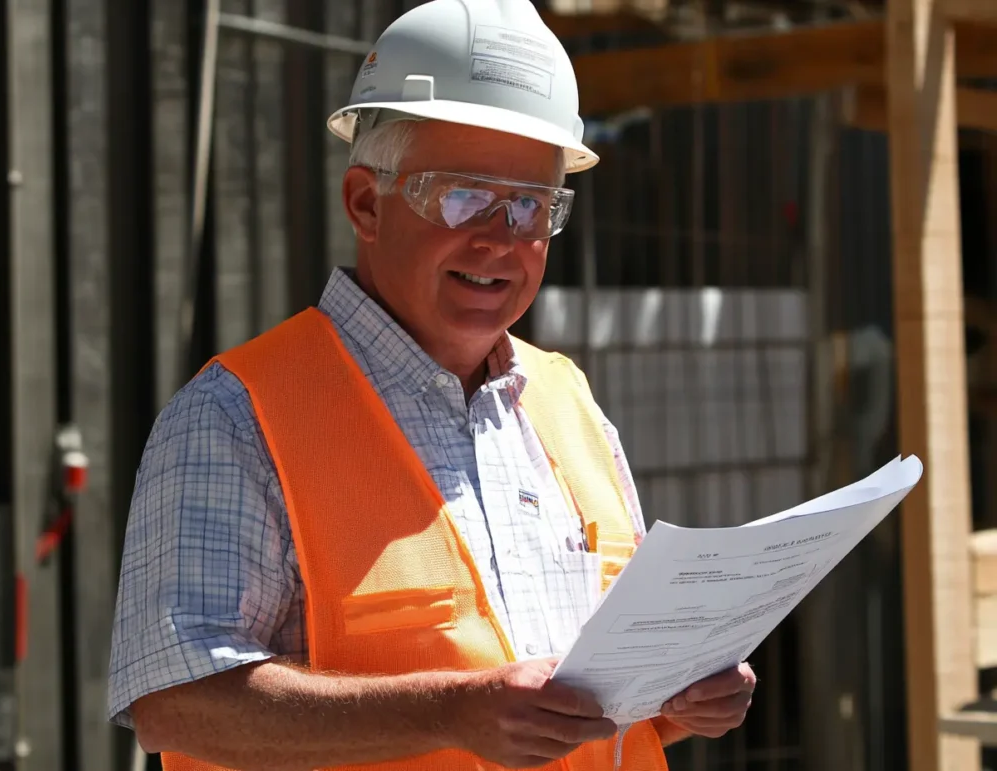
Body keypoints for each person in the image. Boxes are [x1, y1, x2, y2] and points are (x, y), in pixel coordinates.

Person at [107, 1, 756, 769]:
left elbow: (600, 712)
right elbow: (176, 705)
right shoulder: (236, 416)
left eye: (531, 207)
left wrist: (680, 697)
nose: (501, 238)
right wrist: (453, 711)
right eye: (462, 196)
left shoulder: (568, 403)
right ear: (364, 203)